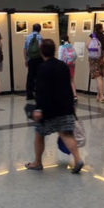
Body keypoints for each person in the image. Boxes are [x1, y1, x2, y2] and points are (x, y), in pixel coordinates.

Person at [26, 39, 84, 173]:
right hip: (65, 107)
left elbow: (41, 91)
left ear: (41, 52)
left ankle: (37, 162)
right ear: (54, 50)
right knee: (66, 134)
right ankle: (78, 159)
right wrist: (71, 107)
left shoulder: (42, 68)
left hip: (49, 110)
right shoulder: (63, 66)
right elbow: (68, 87)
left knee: (39, 134)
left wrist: (39, 109)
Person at [86, 23, 104, 103]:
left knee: (98, 77)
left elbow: (87, 45)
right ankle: (98, 95)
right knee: (100, 77)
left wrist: (92, 51)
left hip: (94, 58)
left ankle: (102, 96)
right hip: (103, 57)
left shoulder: (92, 35)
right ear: (101, 28)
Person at [24, 23, 43, 100]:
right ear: (39, 29)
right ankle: (38, 93)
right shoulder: (40, 37)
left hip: (30, 59)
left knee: (30, 76)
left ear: (32, 28)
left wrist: (26, 59)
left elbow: (25, 49)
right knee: (39, 76)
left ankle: (29, 94)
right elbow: (41, 48)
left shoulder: (28, 37)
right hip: (38, 59)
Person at [58, 34, 78, 103]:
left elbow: (60, 58)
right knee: (71, 80)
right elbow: (75, 55)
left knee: (63, 81)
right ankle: (75, 95)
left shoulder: (61, 47)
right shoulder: (71, 46)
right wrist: (72, 62)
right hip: (72, 65)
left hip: (64, 65)